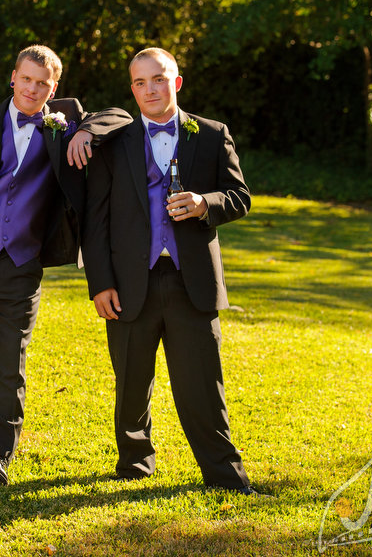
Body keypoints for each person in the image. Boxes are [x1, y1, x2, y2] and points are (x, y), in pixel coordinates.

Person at [0, 44, 132, 485]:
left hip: (24, 264)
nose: (32, 89)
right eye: (26, 79)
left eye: (42, 83)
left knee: (10, 359)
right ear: (12, 77)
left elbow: (121, 116)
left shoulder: (62, 128)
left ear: (54, 88)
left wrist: (85, 132)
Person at [82, 47, 256, 493]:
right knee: (131, 381)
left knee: (202, 385)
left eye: (157, 79)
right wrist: (100, 284)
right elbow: (95, 220)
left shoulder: (212, 135)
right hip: (129, 282)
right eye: (139, 83)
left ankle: (224, 474)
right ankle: (134, 464)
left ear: (176, 82)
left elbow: (239, 196)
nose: (149, 90)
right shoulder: (115, 142)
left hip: (190, 281)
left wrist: (205, 204)